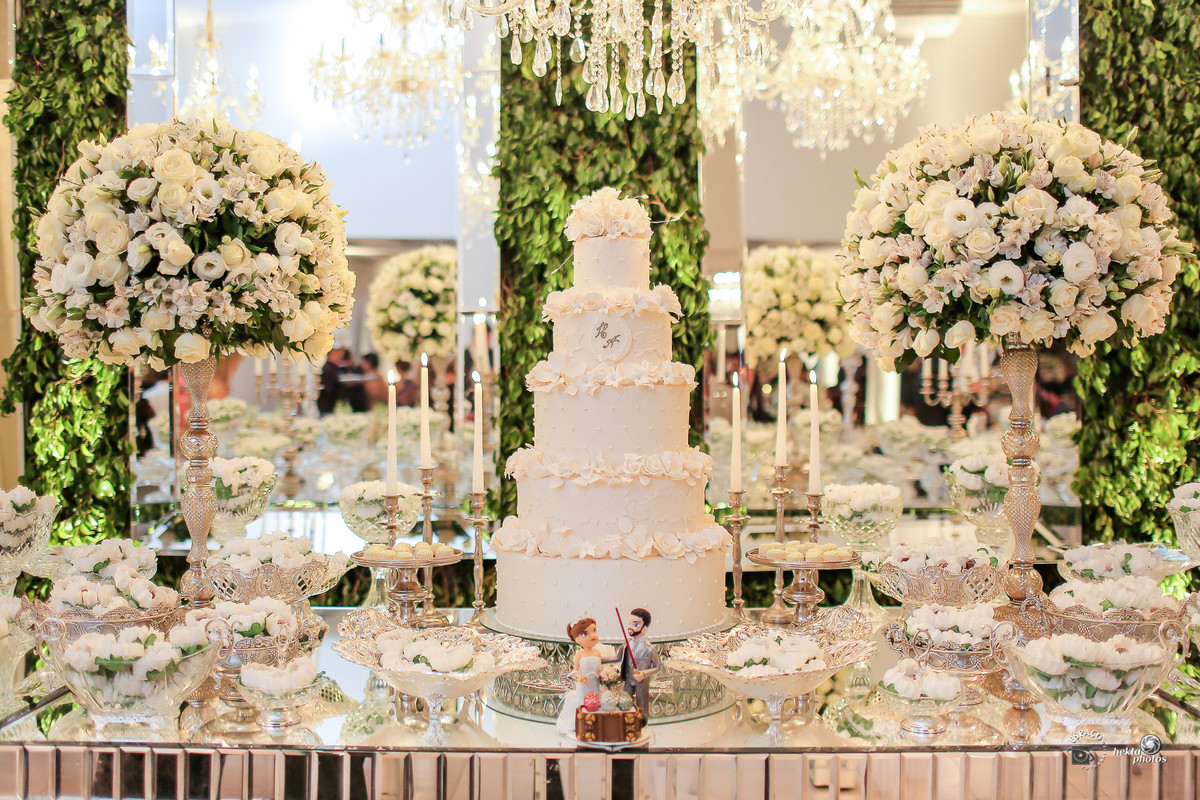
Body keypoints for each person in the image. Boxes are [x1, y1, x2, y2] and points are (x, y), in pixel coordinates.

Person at [556, 616, 604, 735]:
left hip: (595, 683)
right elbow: (575, 671)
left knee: (596, 703)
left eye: (594, 631)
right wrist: (580, 678)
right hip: (584, 684)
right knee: (583, 703)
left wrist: (604, 675)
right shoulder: (579, 654)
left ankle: (594, 725)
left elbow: (599, 669)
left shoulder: (597, 653)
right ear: (577, 640)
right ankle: (581, 724)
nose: (593, 636)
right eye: (585, 634)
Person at [617, 608, 661, 717]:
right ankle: (627, 723)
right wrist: (599, 659)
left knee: (642, 707)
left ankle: (642, 725)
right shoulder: (627, 644)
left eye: (636, 624)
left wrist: (644, 674)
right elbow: (617, 658)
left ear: (644, 628)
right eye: (630, 623)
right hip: (628, 681)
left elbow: (658, 667)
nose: (630, 627)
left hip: (642, 683)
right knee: (625, 705)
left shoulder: (649, 648)